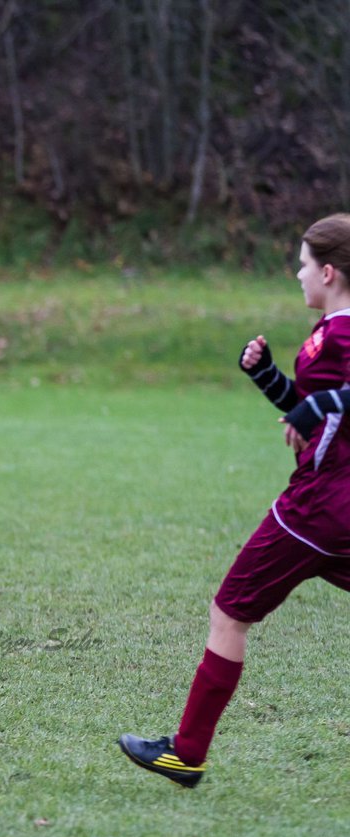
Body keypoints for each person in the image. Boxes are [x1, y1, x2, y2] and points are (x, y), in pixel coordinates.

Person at [118, 213, 350, 787]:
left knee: (229, 612)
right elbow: (322, 408)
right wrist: (269, 379)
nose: (296, 274)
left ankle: (187, 753)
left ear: (328, 270)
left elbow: (323, 410)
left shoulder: (345, 332)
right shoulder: (331, 329)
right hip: (335, 505)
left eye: (301, 264)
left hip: (316, 509)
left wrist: (311, 410)